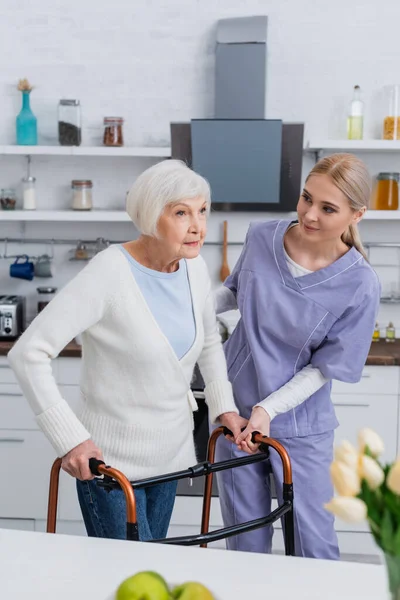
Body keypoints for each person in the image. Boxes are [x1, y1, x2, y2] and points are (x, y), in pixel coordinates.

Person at [8, 159, 246, 542]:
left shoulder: (194, 268)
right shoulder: (110, 272)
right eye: (181, 213)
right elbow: (28, 353)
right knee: (128, 580)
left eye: (202, 211)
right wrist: (70, 439)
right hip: (110, 468)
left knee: (151, 574)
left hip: (170, 458)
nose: (197, 225)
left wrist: (224, 407)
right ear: (152, 216)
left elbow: (207, 341)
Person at [214, 153, 380, 559]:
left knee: (313, 543)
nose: (309, 214)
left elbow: (324, 370)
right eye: (307, 198)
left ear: (356, 215)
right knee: (245, 541)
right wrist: (185, 307)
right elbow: (231, 294)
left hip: (301, 425)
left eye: (328, 208)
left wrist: (268, 409)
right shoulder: (260, 237)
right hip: (237, 416)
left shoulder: (359, 283)